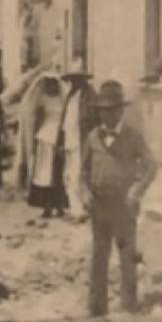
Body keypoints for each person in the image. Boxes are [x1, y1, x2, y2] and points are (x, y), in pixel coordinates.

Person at [81, 80, 157, 317]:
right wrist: (84, 192)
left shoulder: (132, 136)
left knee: (127, 256)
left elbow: (150, 166)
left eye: (113, 110)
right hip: (99, 205)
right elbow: (83, 172)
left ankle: (128, 307)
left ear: (121, 110)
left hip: (124, 205)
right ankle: (96, 309)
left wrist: (136, 191)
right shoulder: (93, 137)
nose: (108, 115)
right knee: (99, 256)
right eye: (104, 110)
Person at [27, 75, 69, 218]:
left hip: (59, 136)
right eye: (48, 84)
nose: (51, 87)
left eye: (54, 84)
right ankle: (46, 206)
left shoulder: (63, 100)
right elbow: (38, 121)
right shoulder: (43, 100)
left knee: (58, 172)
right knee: (45, 173)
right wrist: (33, 140)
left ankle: (60, 206)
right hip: (45, 137)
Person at [61, 65, 97, 219]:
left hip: (82, 141)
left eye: (76, 79)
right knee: (68, 175)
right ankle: (75, 207)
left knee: (78, 174)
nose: (73, 83)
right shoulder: (70, 96)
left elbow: (94, 119)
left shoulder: (89, 96)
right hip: (70, 139)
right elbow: (65, 120)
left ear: (82, 80)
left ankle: (81, 209)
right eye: (71, 80)